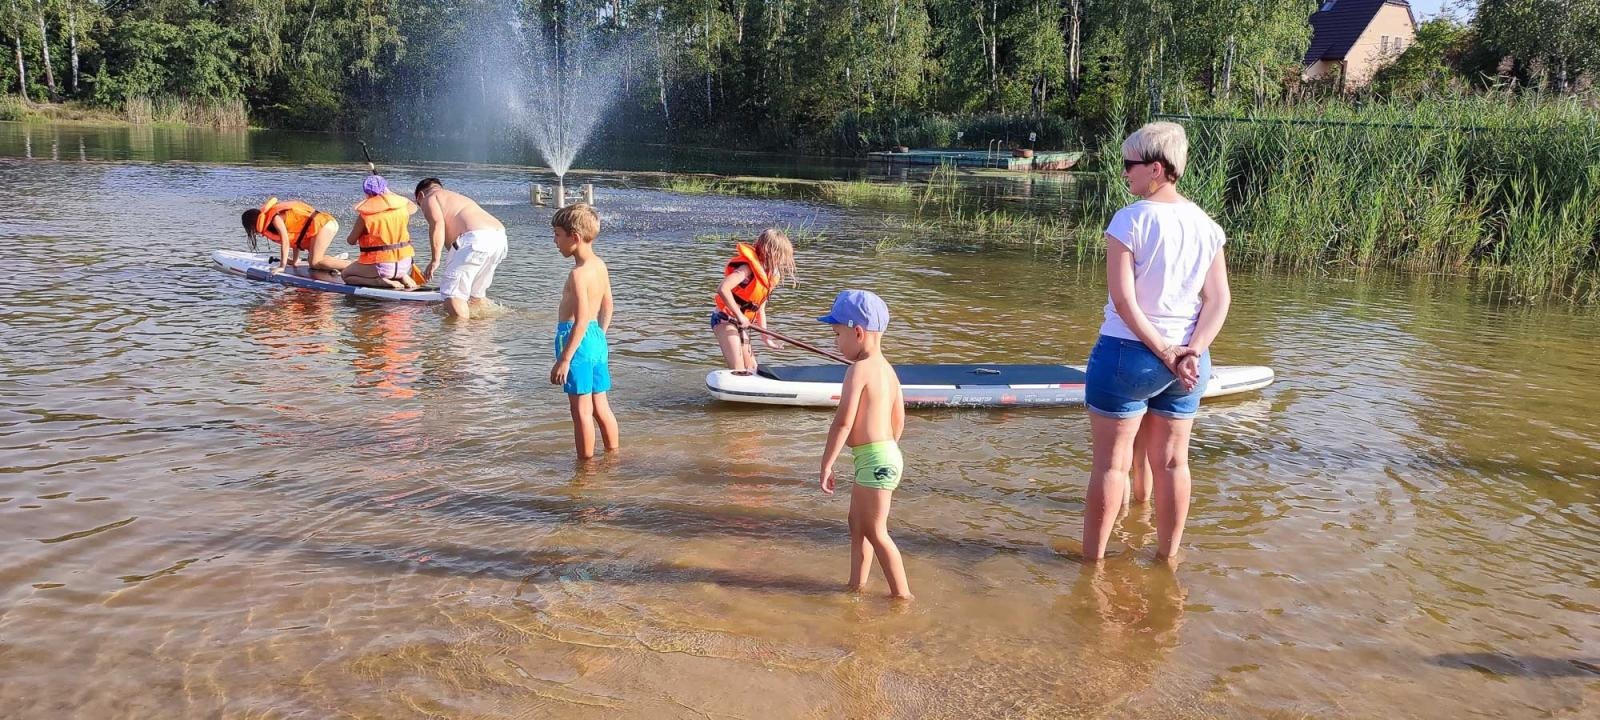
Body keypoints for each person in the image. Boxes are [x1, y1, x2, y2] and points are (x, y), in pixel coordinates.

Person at [1081, 121, 1231, 563]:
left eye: (1130, 165)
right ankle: (1166, 560)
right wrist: (1192, 351)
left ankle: (1092, 566)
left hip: (1130, 354)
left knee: (1112, 465)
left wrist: (1165, 351)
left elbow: (1125, 301)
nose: (1124, 172)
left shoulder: (1129, 219)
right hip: (1188, 364)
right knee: (1172, 464)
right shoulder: (1207, 225)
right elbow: (1219, 299)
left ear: (1157, 169)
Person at [817, 290, 911, 600]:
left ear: (857, 332)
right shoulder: (889, 371)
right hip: (882, 457)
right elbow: (900, 417)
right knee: (857, 524)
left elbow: (843, 421)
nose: (836, 342)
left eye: (837, 334)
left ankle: (902, 596)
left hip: (875, 461)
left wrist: (827, 463)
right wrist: (887, 449)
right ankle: (855, 586)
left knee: (875, 531)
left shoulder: (857, 371)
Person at [549, 203, 619, 460]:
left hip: (575, 340)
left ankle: (585, 466)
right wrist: (600, 334)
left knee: (580, 411)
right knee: (601, 405)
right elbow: (608, 304)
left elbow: (578, 320)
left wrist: (564, 359)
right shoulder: (600, 265)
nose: (555, 241)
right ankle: (613, 455)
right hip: (596, 339)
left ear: (574, 238)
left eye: (557, 234)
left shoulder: (578, 274)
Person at [415, 177, 509, 319]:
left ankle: (459, 338)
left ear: (420, 195)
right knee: (475, 296)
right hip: (499, 238)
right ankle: (481, 337)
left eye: (419, 204)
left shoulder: (429, 198)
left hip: (476, 238)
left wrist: (435, 260)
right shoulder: (455, 197)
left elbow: (437, 225)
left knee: (452, 295)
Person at [711, 229, 797, 374]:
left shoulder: (768, 276)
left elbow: (760, 308)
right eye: (781, 256)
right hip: (724, 319)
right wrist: (740, 316)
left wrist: (766, 337)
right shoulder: (746, 269)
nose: (783, 261)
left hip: (739, 322)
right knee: (738, 369)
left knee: (751, 368)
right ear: (770, 251)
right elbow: (723, 288)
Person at [342, 175, 419, 290]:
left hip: (382, 266)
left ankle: (378, 282)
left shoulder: (365, 215)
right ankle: (402, 276)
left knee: (346, 275)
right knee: (394, 263)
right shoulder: (402, 209)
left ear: (366, 192)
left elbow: (351, 241)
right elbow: (411, 206)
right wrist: (389, 194)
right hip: (405, 263)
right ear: (386, 189)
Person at [241, 198, 347, 281]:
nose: (253, 232)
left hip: (325, 224)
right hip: (321, 227)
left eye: (250, 229)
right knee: (313, 263)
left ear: (252, 223)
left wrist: (282, 267)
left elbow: (286, 242)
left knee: (315, 262)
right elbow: (295, 240)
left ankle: (352, 266)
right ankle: (337, 264)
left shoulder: (275, 218)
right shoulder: (269, 224)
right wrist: (294, 261)